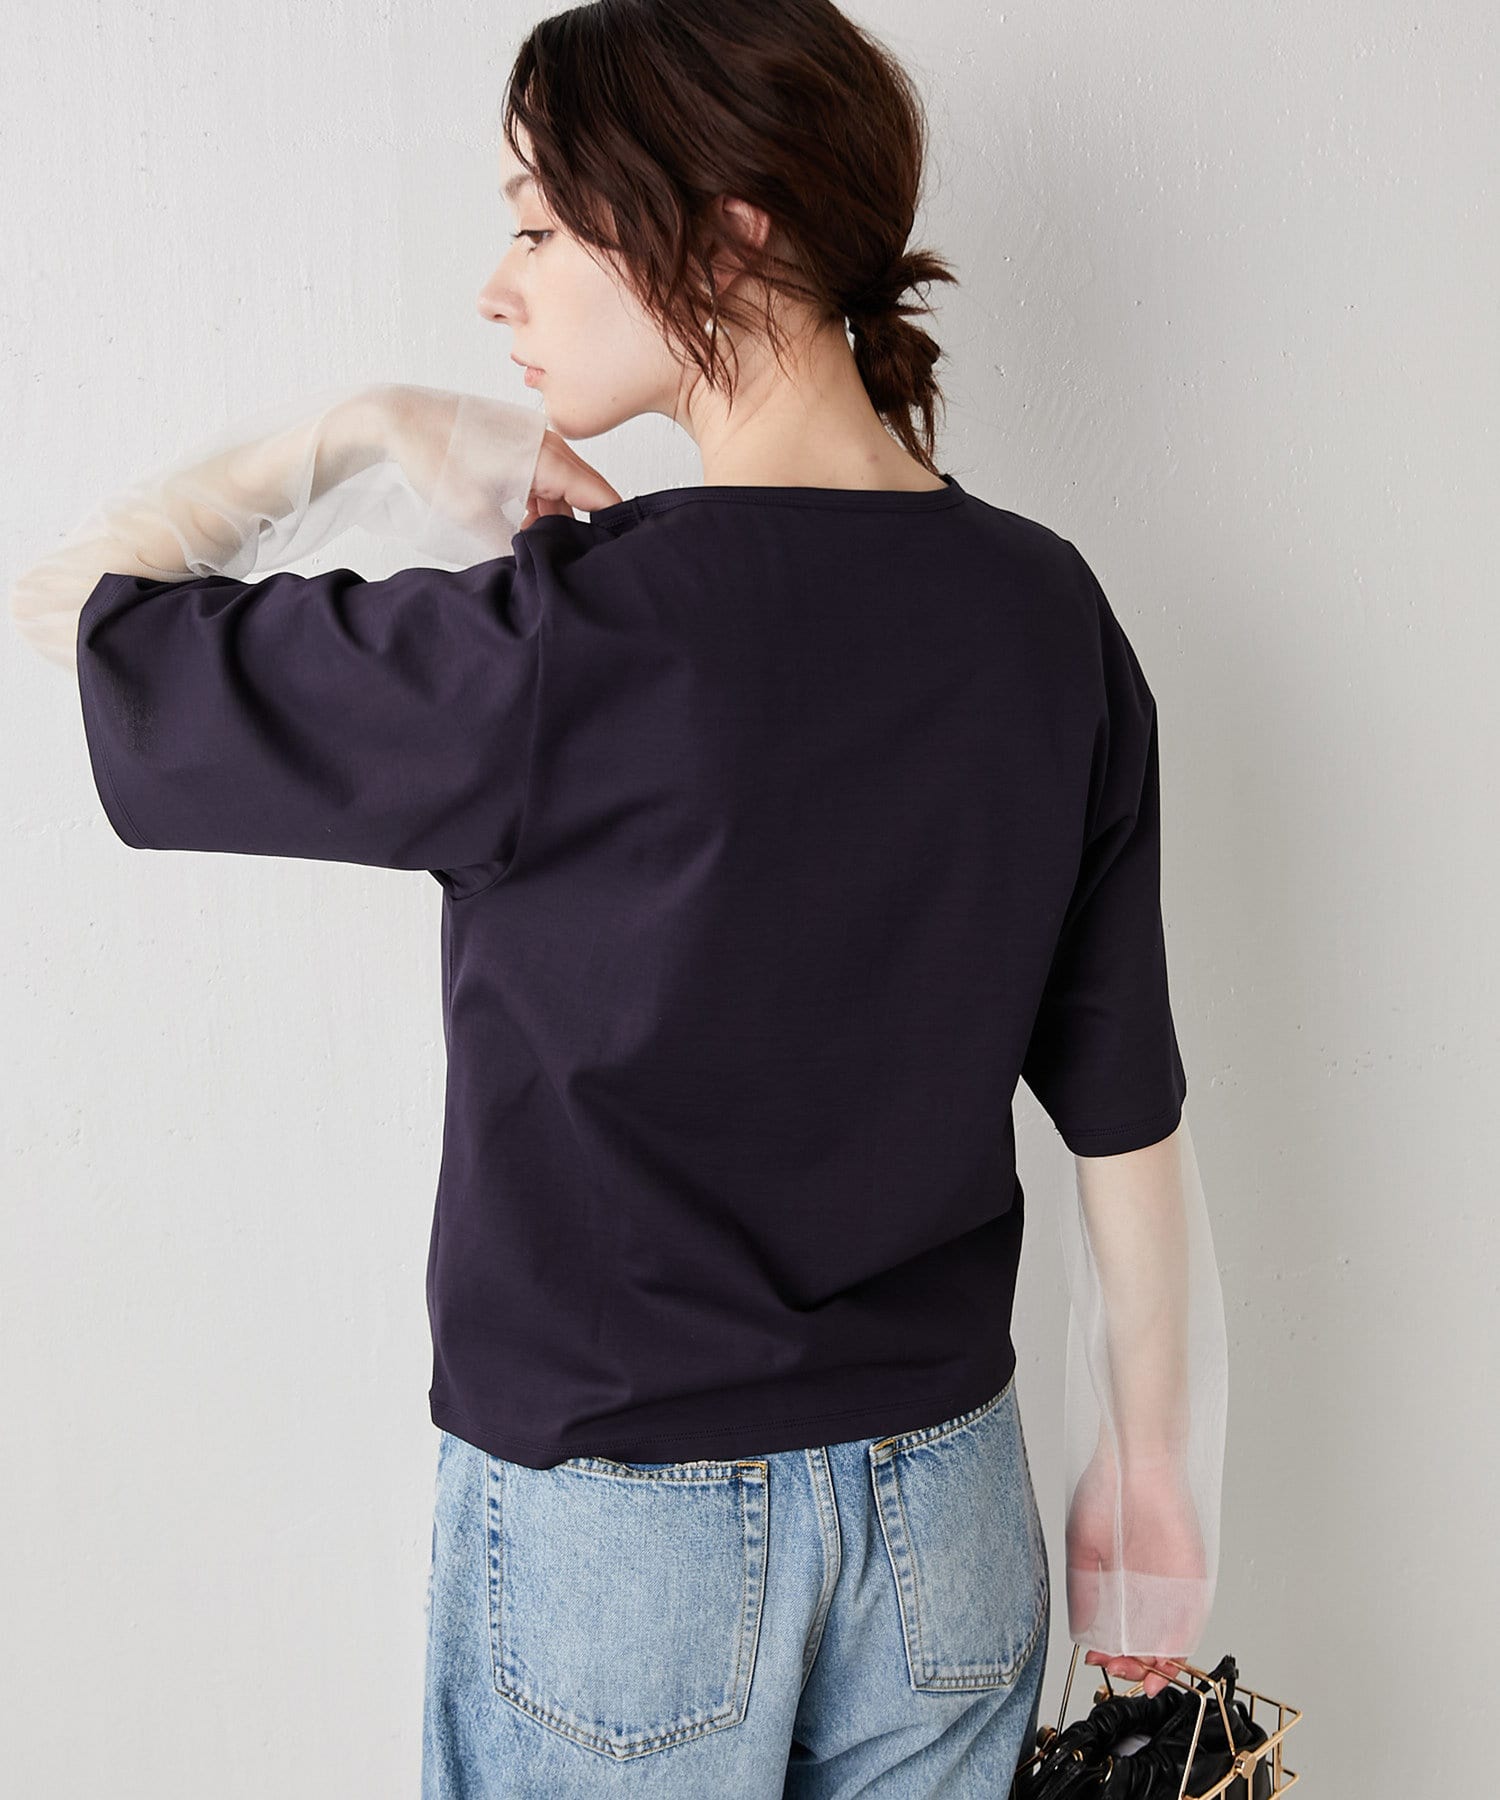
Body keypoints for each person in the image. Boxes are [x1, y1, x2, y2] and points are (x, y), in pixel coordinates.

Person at [10, 1, 1228, 1794]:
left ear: (724, 233)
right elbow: (1126, 1107)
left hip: (622, 1534)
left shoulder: (570, 635)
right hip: (951, 1518)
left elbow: (71, 608)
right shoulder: (1050, 613)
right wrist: (1152, 1473)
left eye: (536, 224)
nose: (498, 287)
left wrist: (365, 433)